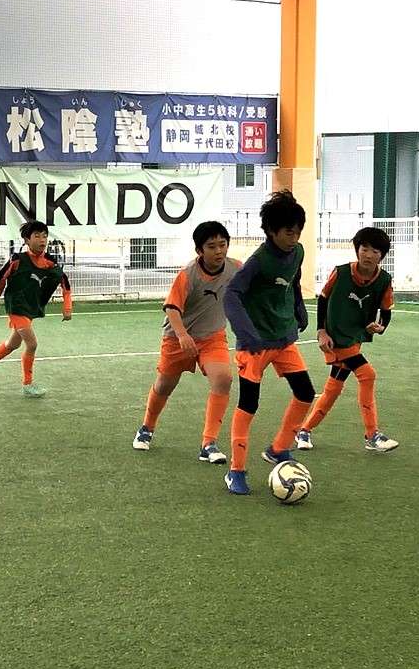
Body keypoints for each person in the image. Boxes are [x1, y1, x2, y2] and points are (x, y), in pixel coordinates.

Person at [221, 189, 316, 495]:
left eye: (298, 231)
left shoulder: (298, 252)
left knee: (305, 393)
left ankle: (278, 449)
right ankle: (236, 471)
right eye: (289, 232)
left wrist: (298, 308)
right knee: (249, 404)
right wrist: (246, 333)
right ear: (272, 231)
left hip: (284, 339)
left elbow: (294, 282)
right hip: (255, 345)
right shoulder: (258, 261)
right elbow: (231, 295)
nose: (294, 237)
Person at [132, 221, 240, 463]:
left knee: (223, 378)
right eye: (211, 246)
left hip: (212, 337)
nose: (219, 251)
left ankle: (209, 443)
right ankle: (147, 427)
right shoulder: (187, 274)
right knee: (164, 385)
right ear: (199, 251)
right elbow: (171, 308)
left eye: (222, 244)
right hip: (178, 338)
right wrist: (182, 335)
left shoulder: (236, 268)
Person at [295, 226, 398, 453]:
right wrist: (321, 331)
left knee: (333, 388)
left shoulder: (384, 280)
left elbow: (386, 311)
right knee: (367, 374)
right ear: (357, 249)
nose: (368, 255)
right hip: (335, 338)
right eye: (364, 249)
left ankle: (304, 430)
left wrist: (380, 327)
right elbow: (323, 299)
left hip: (355, 338)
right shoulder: (341, 272)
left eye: (375, 251)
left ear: (382, 255)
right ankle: (372, 435)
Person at [0, 220, 71, 398]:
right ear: (26, 240)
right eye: (37, 236)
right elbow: (0, 279)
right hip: (16, 305)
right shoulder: (17, 260)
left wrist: (67, 307)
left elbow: (64, 282)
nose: (42, 240)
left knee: (13, 344)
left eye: (45, 236)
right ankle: (27, 384)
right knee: (32, 344)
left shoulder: (50, 262)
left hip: (30, 306)